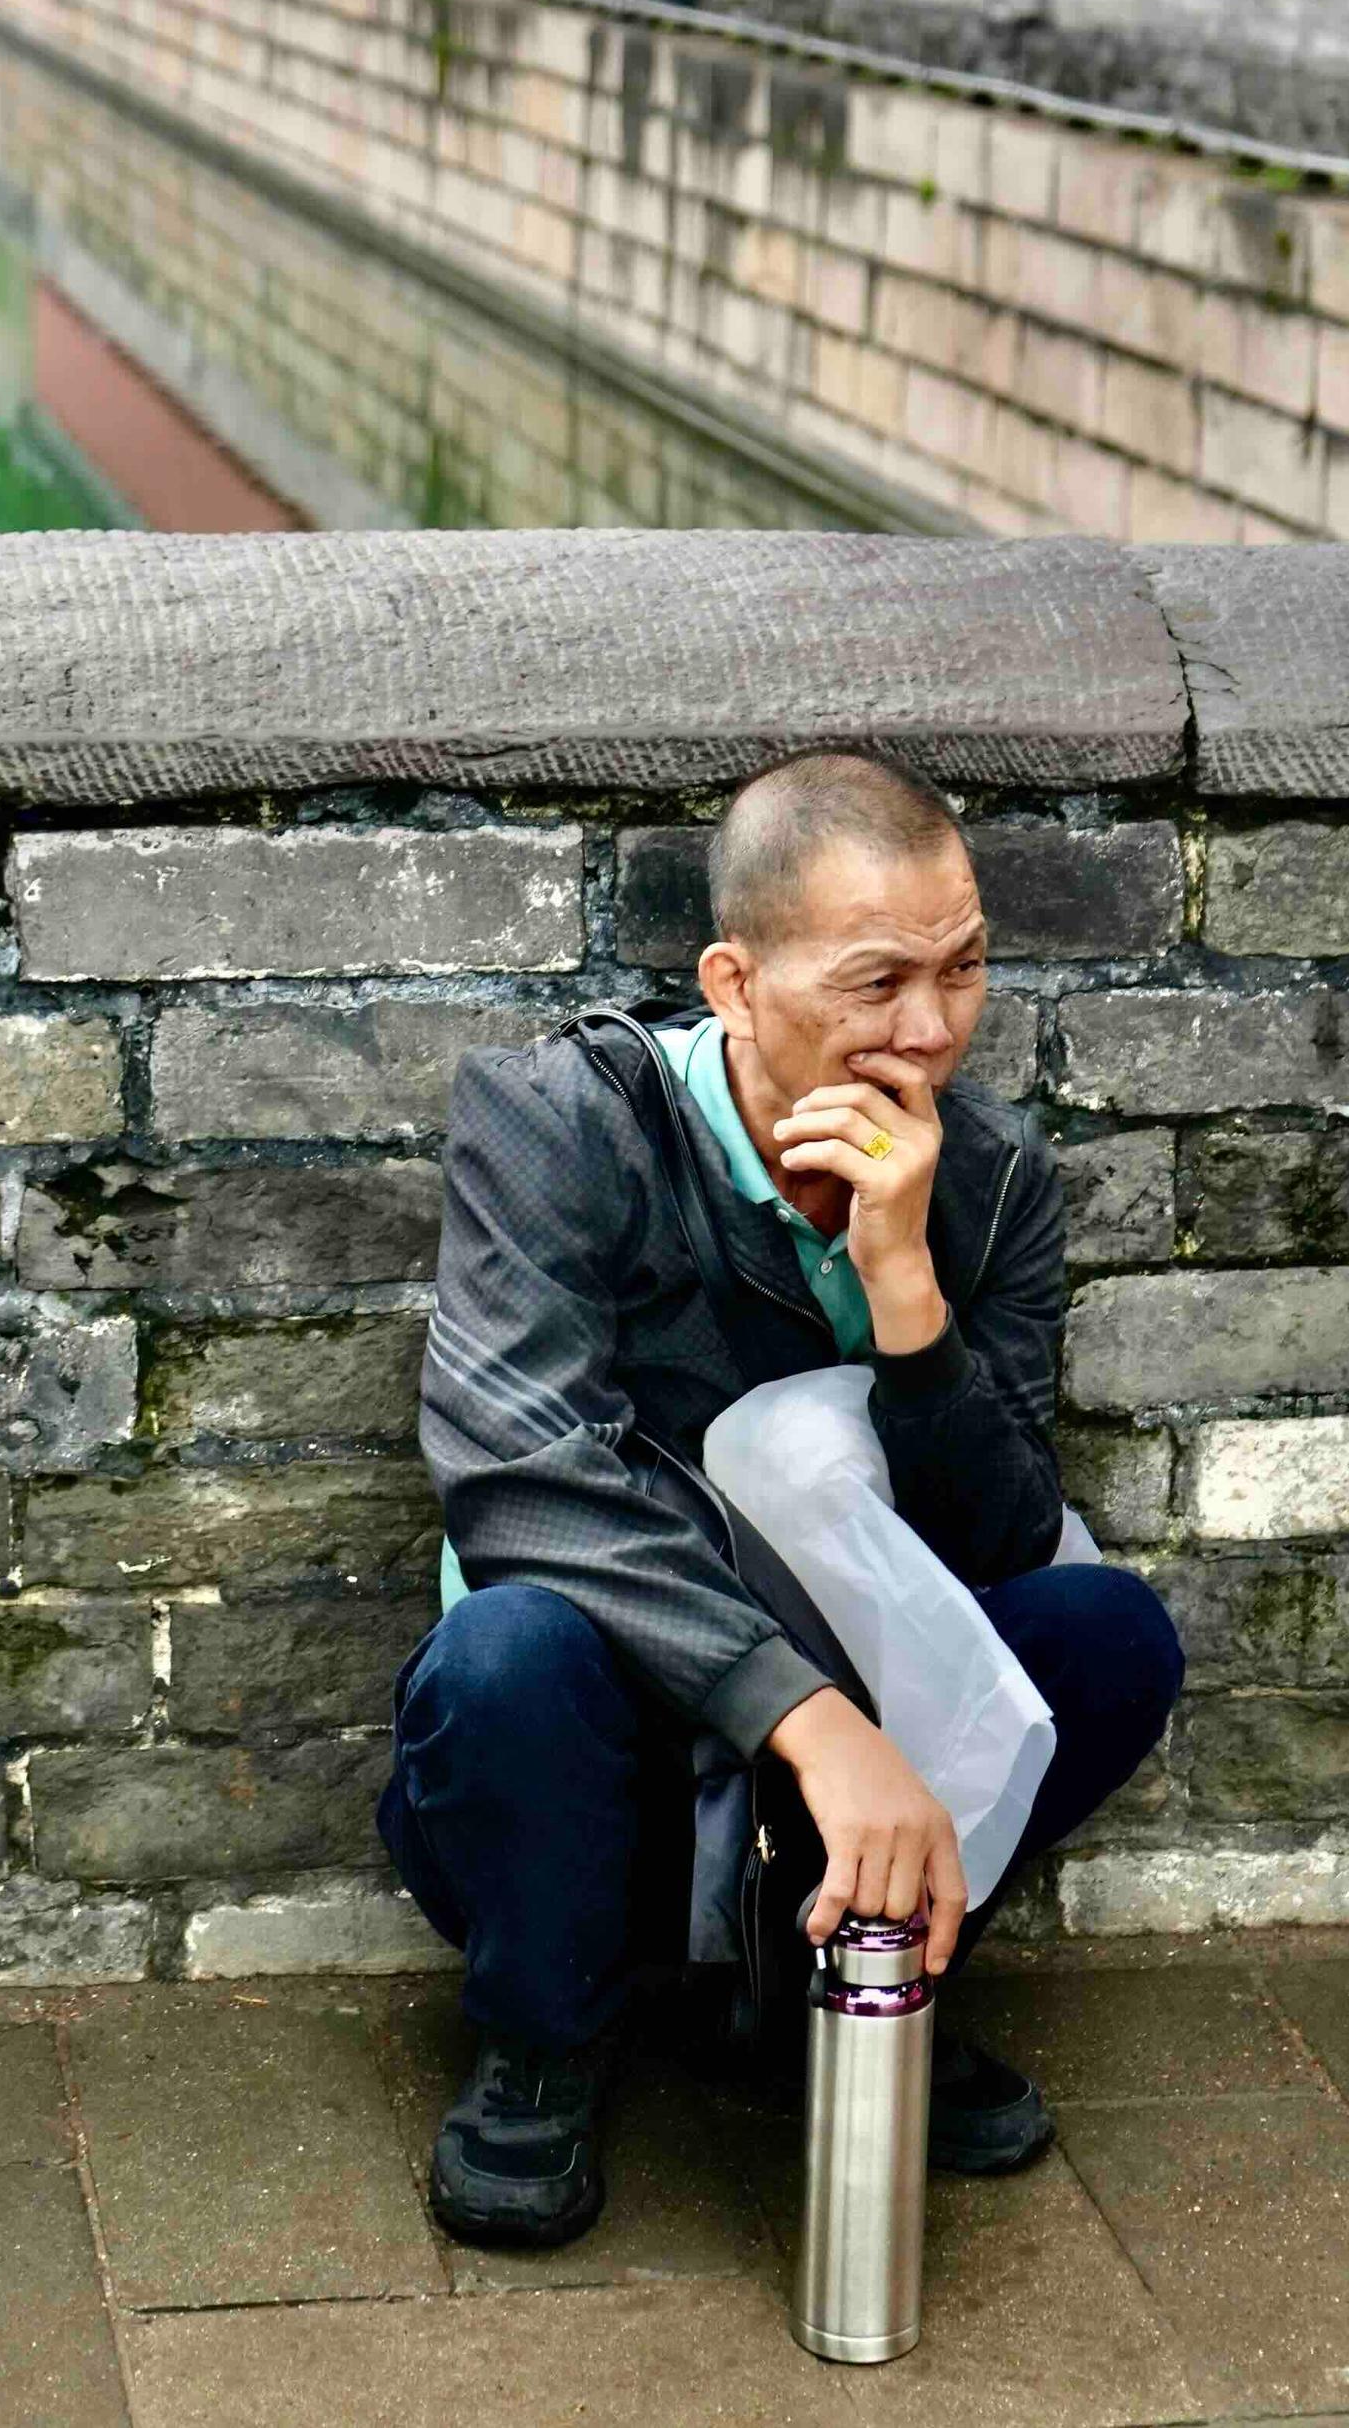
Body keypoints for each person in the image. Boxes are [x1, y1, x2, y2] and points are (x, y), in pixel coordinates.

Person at [377, 749, 1184, 2249]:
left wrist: (903, 1283)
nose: (931, 1032)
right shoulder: (566, 1119)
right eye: (876, 984)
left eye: (965, 970)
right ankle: (547, 2034)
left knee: (1104, 1633)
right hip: (601, 1736)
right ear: (735, 984)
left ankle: (869, 1980)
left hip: (848, 1748)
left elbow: (997, 1538)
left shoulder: (990, 1176)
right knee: (506, 1657)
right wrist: (812, 1720)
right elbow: (520, 1471)